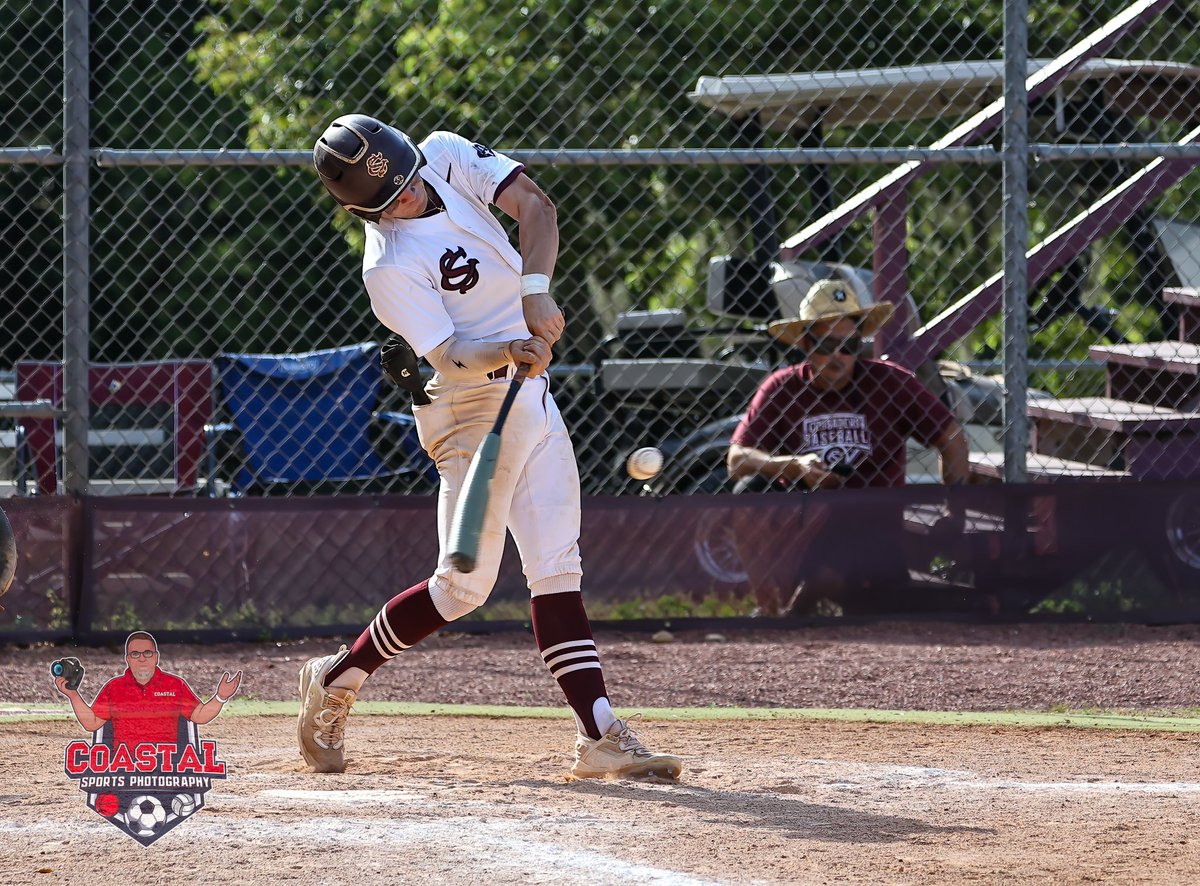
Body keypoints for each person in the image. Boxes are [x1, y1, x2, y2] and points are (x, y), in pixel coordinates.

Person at [305, 114, 681, 780]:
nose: (409, 198)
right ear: (362, 210)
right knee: (464, 586)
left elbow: (535, 205)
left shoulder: (446, 155)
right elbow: (448, 357)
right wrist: (508, 346)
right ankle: (339, 676)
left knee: (557, 565)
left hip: (529, 390)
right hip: (468, 406)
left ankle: (600, 735)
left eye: (407, 182)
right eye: (389, 201)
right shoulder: (388, 265)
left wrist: (533, 294)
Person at [727, 279, 969, 615]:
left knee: (847, 558)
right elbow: (737, 459)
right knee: (749, 491)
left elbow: (951, 436)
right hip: (801, 521)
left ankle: (796, 612)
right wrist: (795, 467)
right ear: (805, 343)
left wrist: (954, 512)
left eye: (849, 345)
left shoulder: (889, 381)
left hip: (871, 525)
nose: (838, 356)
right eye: (826, 345)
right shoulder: (781, 388)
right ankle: (769, 610)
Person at [55, 631, 241, 749]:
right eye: (135, 654)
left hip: (168, 766)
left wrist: (220, 697)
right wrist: (73, 695)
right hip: (124, 767)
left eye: (147, 653)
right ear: (127, 658)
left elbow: (199, 716)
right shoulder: (114, 687)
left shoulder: (175, 684)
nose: (142, 658)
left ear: (156, 657)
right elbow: (92, 723)